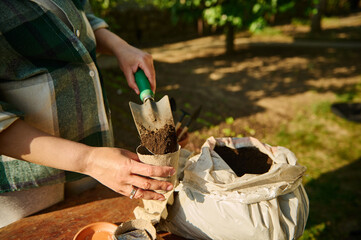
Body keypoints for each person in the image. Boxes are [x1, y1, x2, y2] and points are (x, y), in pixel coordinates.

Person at [0, 0, 175, 227]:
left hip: (89, 144)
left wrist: (119, 46)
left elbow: (81, 17)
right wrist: (89, 160)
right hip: (28, 179)